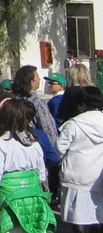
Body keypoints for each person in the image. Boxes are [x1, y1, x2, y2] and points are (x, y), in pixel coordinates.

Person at [0, 98, 55, 233]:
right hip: (32, 201)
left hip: (8, 204)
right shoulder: (33, 142)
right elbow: (41, 176)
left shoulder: (0, 144)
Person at [56, 86, 103, 233]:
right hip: (99, 178)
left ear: (82, 104)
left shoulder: (73, 124)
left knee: (78, 220)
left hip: (76, 178)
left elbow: (59, 149)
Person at [11, 65, 59, 148]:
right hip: (36, 145)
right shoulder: (37, 102)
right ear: (31, 81)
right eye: (37, 77)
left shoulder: (13, 99)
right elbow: (47, 129)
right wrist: (53, 150)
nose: (39, 79)